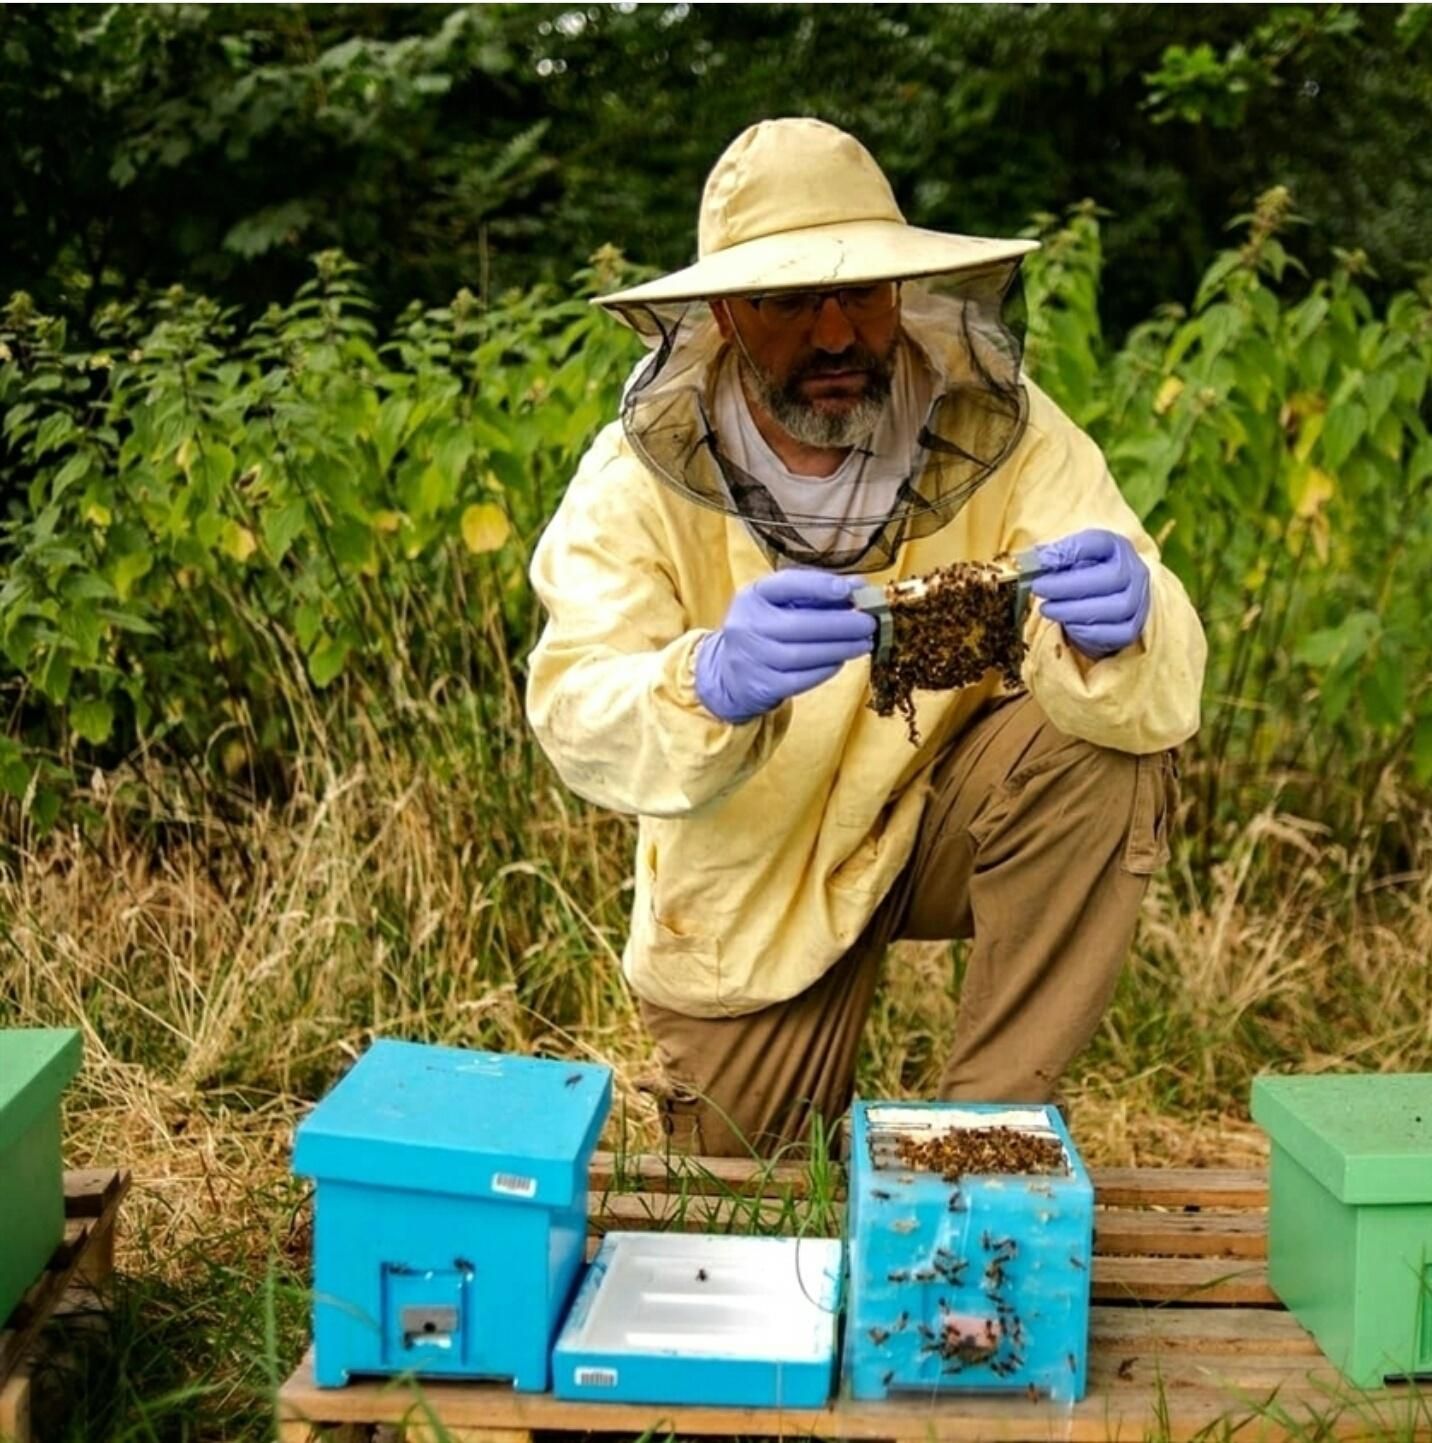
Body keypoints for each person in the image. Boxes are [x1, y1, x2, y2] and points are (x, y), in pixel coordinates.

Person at [525, 117, 1206, 1158]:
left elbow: (1155, 652)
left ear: (903, 295)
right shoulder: (631, 482)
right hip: (759, 873)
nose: (836, 334)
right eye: (790, 302)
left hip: (953, 801)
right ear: (721, 315)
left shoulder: (1001, 425)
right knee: (736, 1196)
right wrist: (704, 682)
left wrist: (1131, 623)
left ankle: (982, 1141)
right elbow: (574, 710)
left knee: (1102, 752)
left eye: (862, 295)